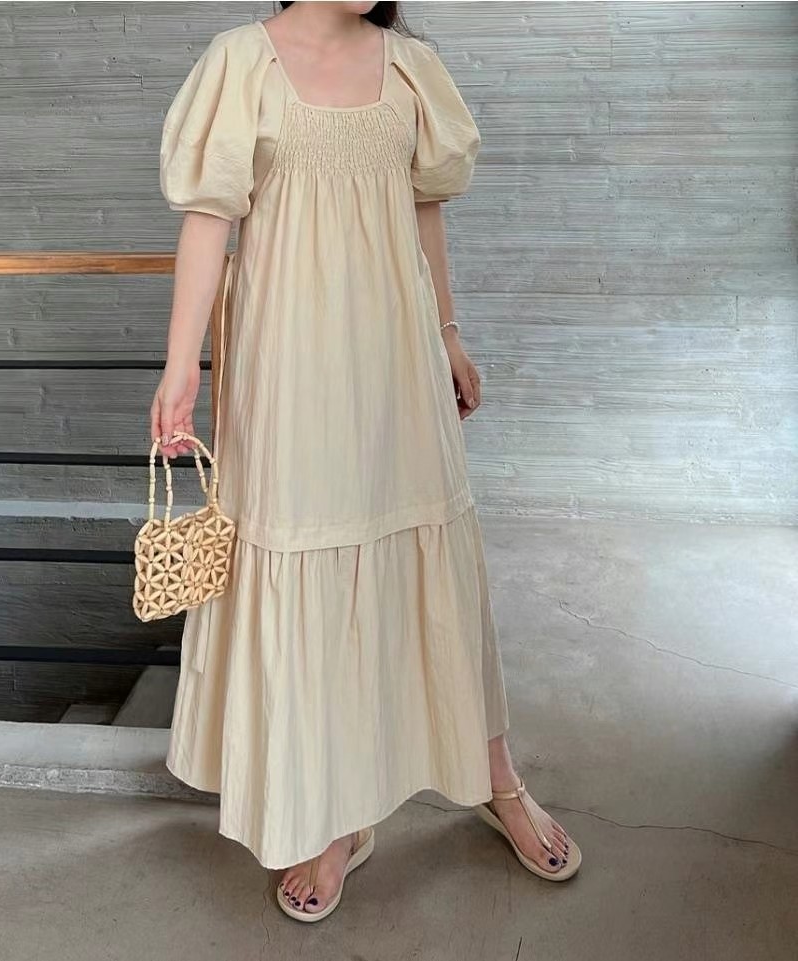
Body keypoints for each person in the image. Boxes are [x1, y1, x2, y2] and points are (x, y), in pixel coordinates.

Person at [151, 0, 581, 923]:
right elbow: (207, 222)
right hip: (288, 361)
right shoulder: (240, 62)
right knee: (309, 559)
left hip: (395, 353)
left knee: (433, 556)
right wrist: (181, 366)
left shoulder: (409, 65)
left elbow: (424, 209)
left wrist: (447, 332)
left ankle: (495, 778)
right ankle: (338, 817)